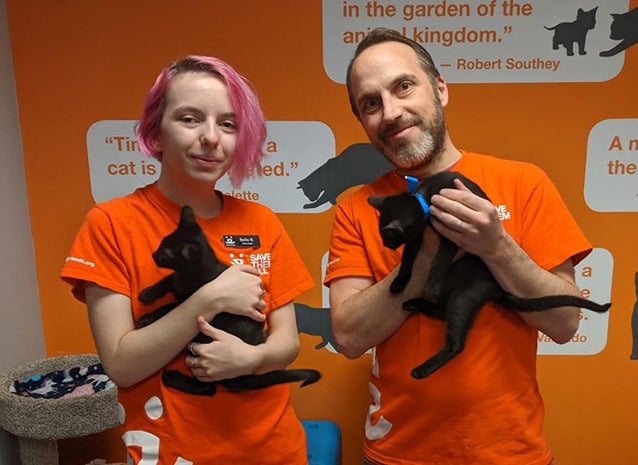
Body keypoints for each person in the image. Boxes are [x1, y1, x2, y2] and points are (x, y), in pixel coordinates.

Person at [324, 28, 592, 465]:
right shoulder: (359, 208)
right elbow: (350, 337)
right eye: (370, 104)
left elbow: (564, 323)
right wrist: (427, 253)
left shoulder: (524, 183)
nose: (391, 112)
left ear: (441, 89)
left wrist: (496, 246)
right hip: (395, 454)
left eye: (403, 86)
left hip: (509, 453)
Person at [61, 55, 314, 464]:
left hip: (275, 450)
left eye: (228, 124)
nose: (212, 138)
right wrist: (209, 299)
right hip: (171, 453)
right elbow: (122, 364)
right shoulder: (109, 223)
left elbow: (287, 341)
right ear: (155, 133)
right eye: (190, 119)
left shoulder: (261, 221)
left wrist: (253, 358)